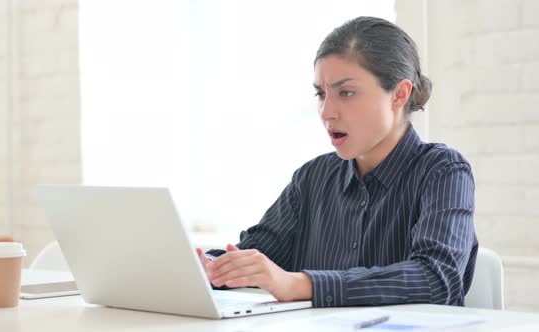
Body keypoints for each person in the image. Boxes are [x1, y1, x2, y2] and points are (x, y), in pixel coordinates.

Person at [196, 16, 478, 307]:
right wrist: (210, 268)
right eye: (321, 94)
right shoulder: (312, 177)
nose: (326, 112)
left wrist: (301, 284)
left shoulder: (443, 171)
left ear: (399, 94)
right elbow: (257, 255)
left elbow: (436, 279)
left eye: (346, 93)